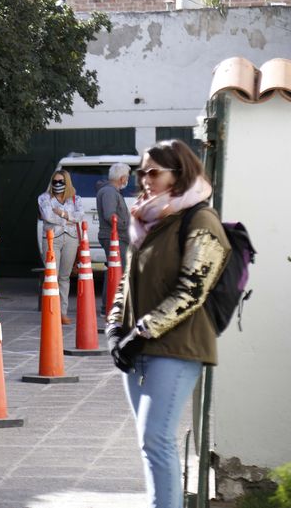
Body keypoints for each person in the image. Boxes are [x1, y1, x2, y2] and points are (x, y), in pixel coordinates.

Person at [106, 139, 230, 508]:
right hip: (137, 346)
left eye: (153, 172)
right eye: (142, 172)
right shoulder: (148, 217)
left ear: (179, 174)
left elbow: (192, 290)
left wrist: (140, 333)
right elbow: (128, 282)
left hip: (177, 346)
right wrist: (115, 328)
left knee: (157, 438)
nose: (144, 179)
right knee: (150, 443)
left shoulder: (201, 220)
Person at [38, 170, 84, 325]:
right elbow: (47, 216)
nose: (57, 184)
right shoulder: (44, 197)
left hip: (71, 239)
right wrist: (68, 219)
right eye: (55, 181)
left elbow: (80, 216)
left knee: (64, 277)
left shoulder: (75, 198)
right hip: (52, 239)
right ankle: (50, 311)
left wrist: (63, 214)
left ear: (67, 183)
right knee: (52, 276)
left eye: (61, 182)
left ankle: (62, 312)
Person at [96, 162, 132, 313]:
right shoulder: (110, 192)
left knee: (116, 269)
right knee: (117, 270)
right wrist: (126, 224)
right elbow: (110, 215)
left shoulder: (113, 191)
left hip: (118, 237)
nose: (127, 180)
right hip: (114, 237)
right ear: (122, 178)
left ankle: (111, 305)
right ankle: (110, 306)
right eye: (127, 177)